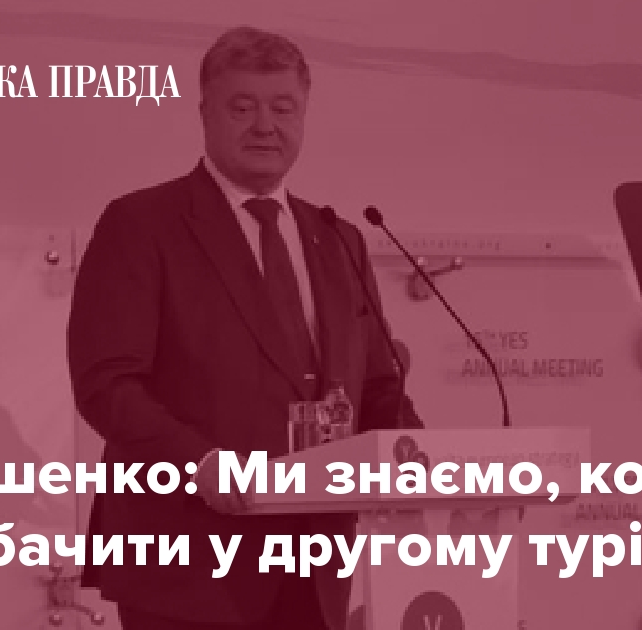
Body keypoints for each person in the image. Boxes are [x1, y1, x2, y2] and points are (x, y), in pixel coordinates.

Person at [67, 26, 423, 630]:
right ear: (205, 113)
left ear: (303, 116)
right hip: (186, 564)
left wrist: (425, 462)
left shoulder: (339, 239)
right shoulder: (141, 224)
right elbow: (107, 385)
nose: (265, 126)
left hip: (315, 565)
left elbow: (378, 387)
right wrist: (200, 462)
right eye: (243, 107)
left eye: (283, 108)